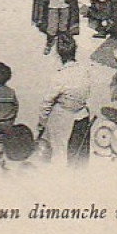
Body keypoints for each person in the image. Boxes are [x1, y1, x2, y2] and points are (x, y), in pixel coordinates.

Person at [37, 34, 91, 165]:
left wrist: (42, 123)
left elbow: (46, 103)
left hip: (65, 117)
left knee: (58, 151)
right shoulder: (84, 71)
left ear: (58, 55)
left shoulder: (59, 77)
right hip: (82, 113)